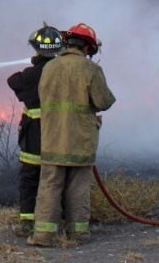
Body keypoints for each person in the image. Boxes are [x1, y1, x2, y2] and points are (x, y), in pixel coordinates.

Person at [28, 22, 115, 247]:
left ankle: (43, 236)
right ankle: (78, 235)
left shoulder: (50, 67)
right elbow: (103, 101)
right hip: (80, 140)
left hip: (52, 138)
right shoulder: (91, 70)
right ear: (87, 48)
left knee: (49, 186)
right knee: (78, 188)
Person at [6, 24, 63, 237]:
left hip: (34, 138)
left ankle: (29, 224)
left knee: (30, 179)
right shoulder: (63, 73)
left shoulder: (32, 75)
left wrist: (35, 64)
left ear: (37, 49)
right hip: (60, 136)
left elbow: (13, 81)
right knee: (58, 178)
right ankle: (59, 221)